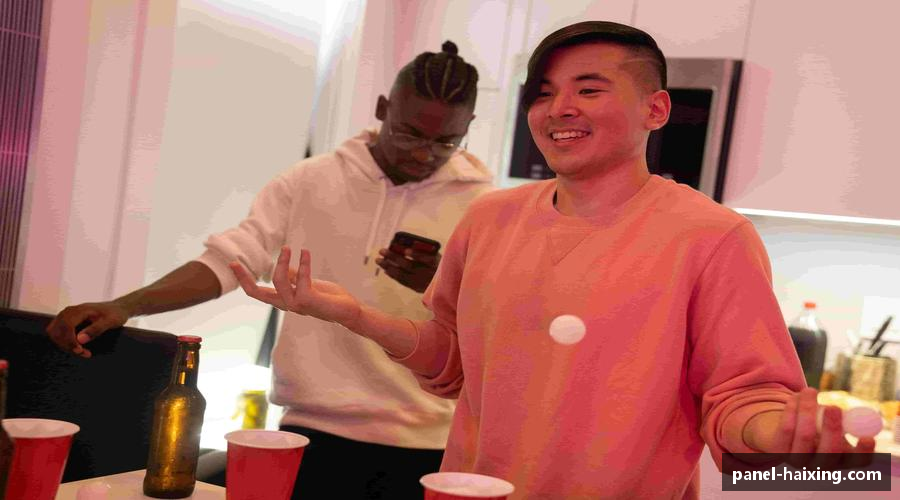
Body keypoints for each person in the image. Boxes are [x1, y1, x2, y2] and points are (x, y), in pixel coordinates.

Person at [230, 21, 876, 499]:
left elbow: (742, 396)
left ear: (655, 109)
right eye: (543, 93)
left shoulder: (712, 237)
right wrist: (354, 315)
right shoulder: (490, 218)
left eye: (588, 89)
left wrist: (778, 436)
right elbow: (453, 363)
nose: (558, 108)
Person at [46, 41, 495, 499]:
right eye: (409, 134)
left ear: (469, 128)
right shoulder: (309, 181)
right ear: (383, 109)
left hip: (429, 443)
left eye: (446, 142)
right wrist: (125, 306)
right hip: (312, 429)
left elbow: (496, 319)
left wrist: (440, 285)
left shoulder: (481, 204)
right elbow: (230, 261)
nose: (423, 154)